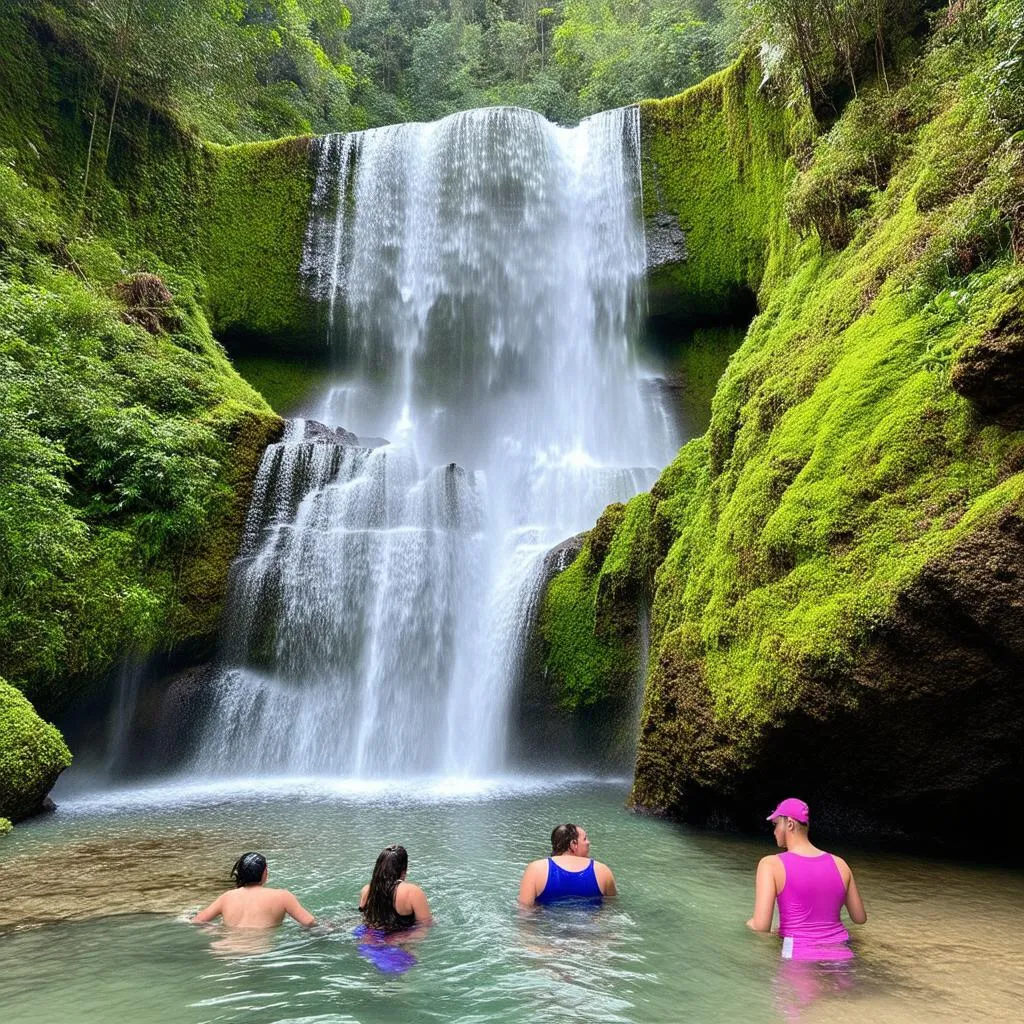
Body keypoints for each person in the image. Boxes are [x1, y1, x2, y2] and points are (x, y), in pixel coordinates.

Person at [746, 798, 867, 960]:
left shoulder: (770, 864)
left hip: (798, 954)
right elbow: (859, 918)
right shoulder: (840, 864)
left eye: (775, 824)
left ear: (789, 824)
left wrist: (748, 923)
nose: (774, 831)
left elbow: (761, 927)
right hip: (841, 951)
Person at [192, 852, 316, 928]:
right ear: (265, 873)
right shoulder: (283, 896)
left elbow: (197, 921)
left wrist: (216, 930)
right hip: (258, 952)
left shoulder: (227, 897)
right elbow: (310, 923)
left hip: (223, 951)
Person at [518, 823, 617, 907]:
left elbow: (525, 912)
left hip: (549, 928)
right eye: (585, 838)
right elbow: (611, 908)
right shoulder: (602, 871)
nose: (588, 842)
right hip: (589, 929)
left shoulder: (535, 869)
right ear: (573, 844)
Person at [359, 844, 432, 931]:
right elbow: (426, 924)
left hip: (365, 937)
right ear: (404, 870)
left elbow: (364, 918)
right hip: (395, 942)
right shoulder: (412, 891)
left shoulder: (367, 890)